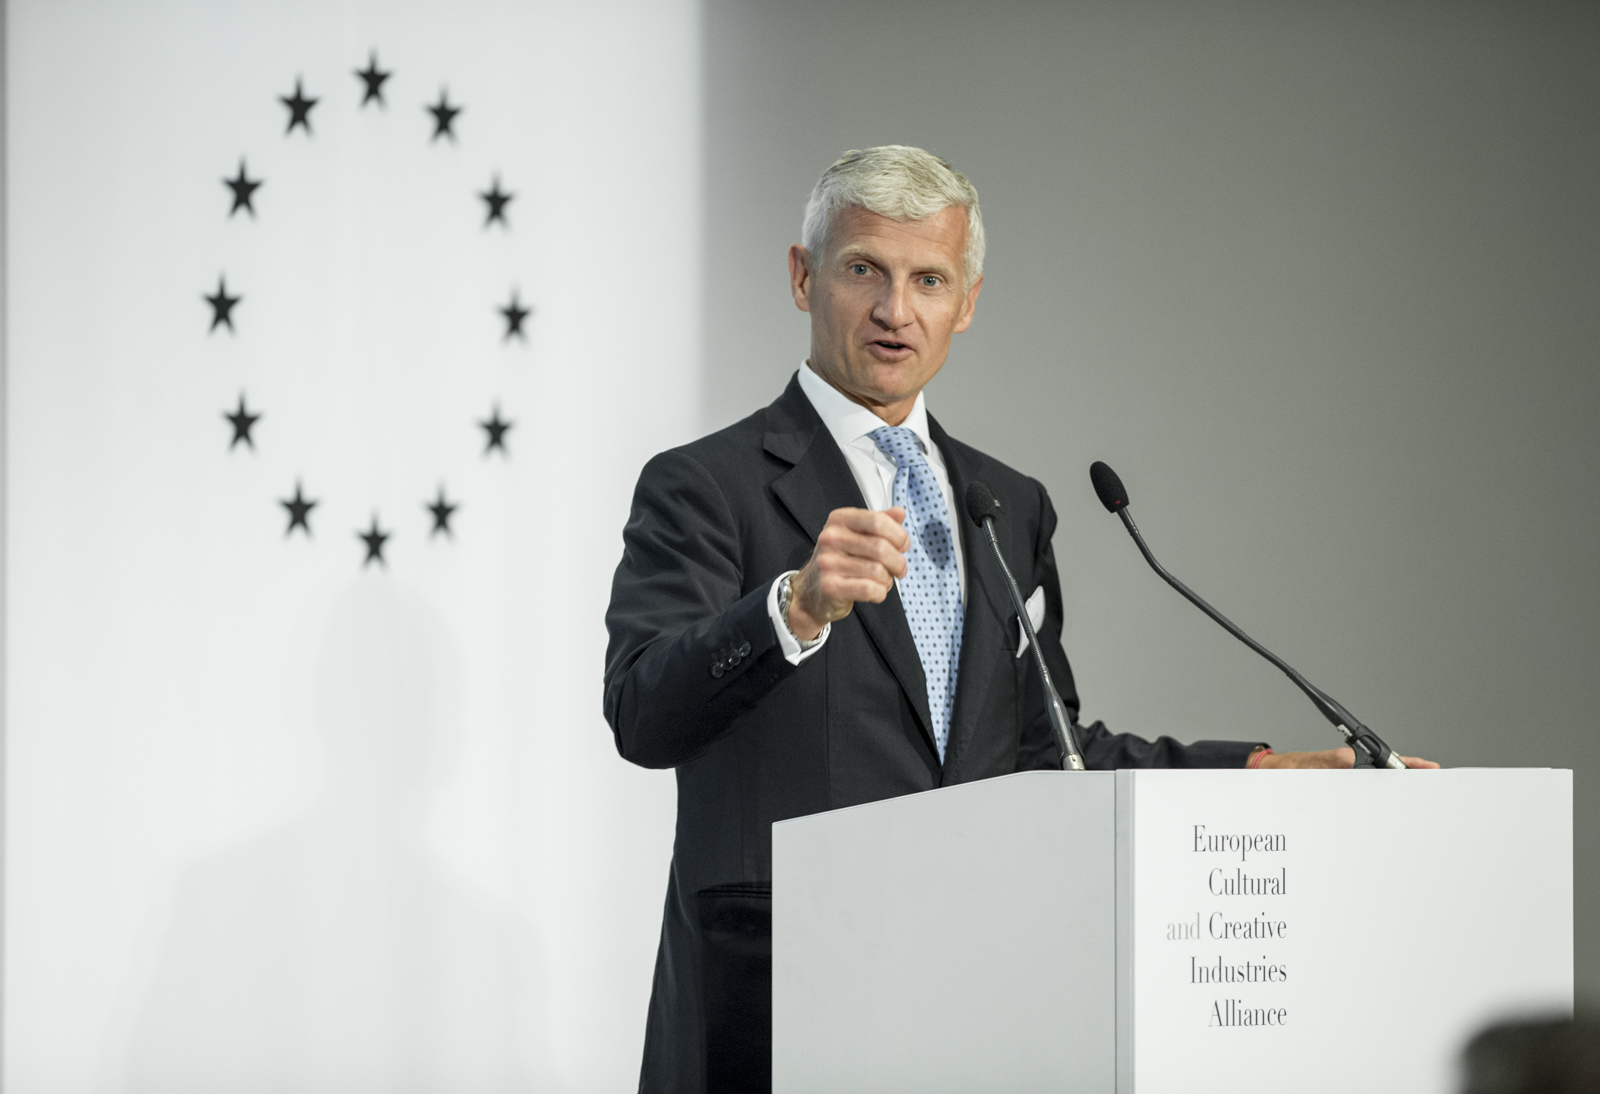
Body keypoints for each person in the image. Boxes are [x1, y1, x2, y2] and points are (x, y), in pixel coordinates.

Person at [603, 145, 1436, 1094]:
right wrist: (791, 608)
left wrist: (1255, 773)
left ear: (967, 302)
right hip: (775, 1011)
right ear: (803, 278)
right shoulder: (706, 485)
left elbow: (1049, 756)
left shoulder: (1007, 505)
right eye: (864, 270)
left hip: (973, 1007)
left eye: (929, 279)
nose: (895, 309)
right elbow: (643, 713)